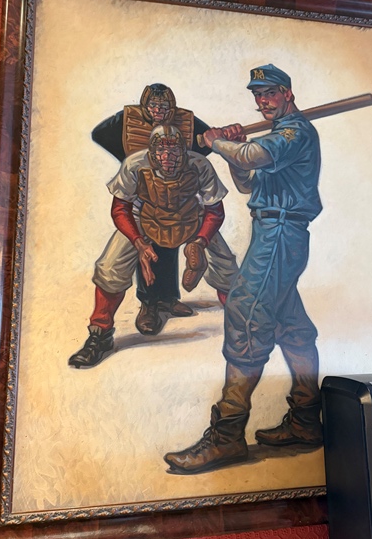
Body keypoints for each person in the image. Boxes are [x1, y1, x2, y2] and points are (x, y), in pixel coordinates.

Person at [164, 64, 322, 474]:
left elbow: (255, 156)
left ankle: (228, 436)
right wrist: (234, 149)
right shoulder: (278, 134)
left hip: (281, 232)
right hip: (273, 231)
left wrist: (218, 142)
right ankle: (306, 421)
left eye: (270, 92)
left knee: (244, 315)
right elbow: (248, 180)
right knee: (291, 326)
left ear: (287, 93)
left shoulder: (295, 132)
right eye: (258, 95)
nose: (263, 101)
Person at [69, 124, 237, 369]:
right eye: (161, 150)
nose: (168, 156)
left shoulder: (199, 165)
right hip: (145, 218)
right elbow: (120, 209)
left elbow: (214, 210)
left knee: (226, 268)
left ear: (183, 150)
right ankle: (100, 335)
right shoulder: (134, 165)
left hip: (190, 216)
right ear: (151, 151)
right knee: (109, 267)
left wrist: (201, 241)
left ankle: (242, 323)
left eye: (174, 150)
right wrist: (137, 241)